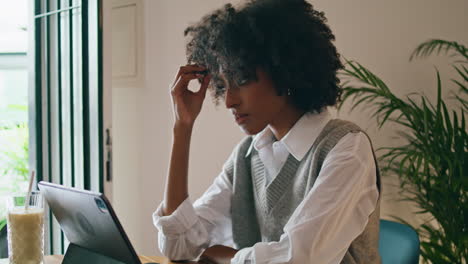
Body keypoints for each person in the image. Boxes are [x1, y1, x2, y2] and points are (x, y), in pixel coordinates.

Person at [153, 0, 382, 263]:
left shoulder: (346, 149)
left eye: (241, 80)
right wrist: (182, 127)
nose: (229, 101)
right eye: (223, 84)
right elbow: (178, 246)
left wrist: (228, 257)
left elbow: (299, 259)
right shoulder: (247, 156)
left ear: (283, 73)